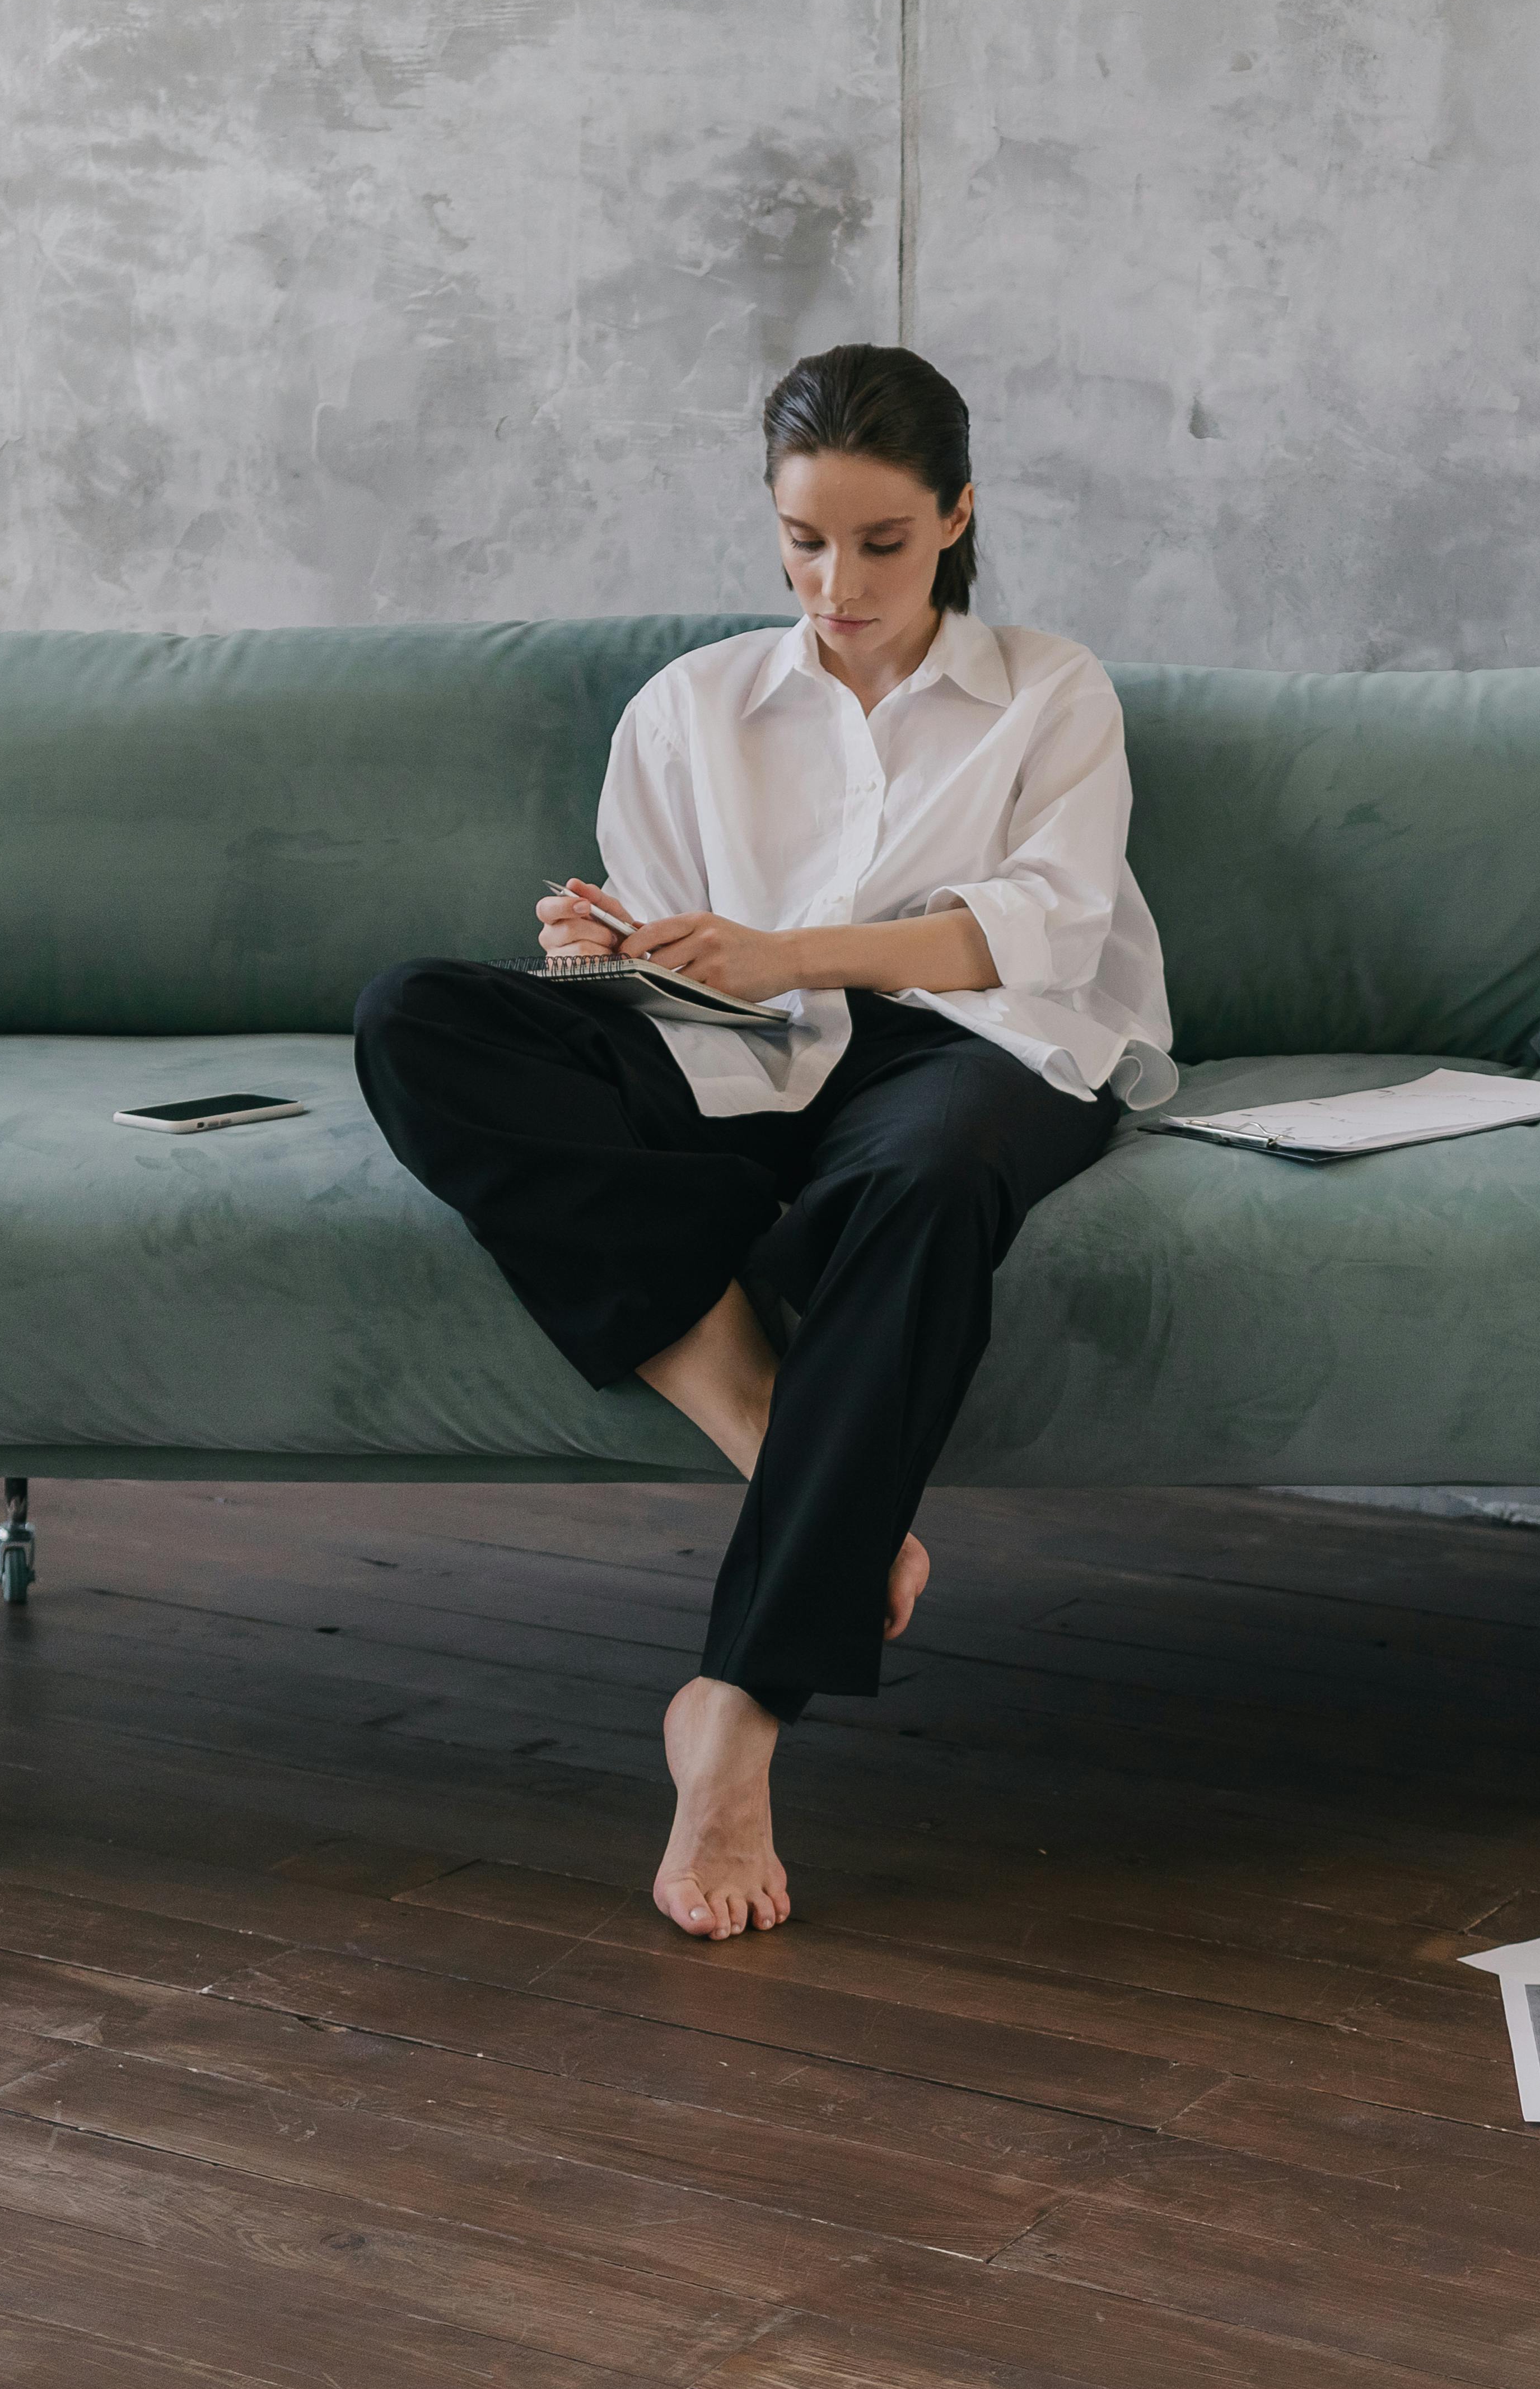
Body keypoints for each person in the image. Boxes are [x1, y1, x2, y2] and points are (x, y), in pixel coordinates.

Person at [351, 344, 1175, 1940]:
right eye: (805, 540)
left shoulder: (1052, 692)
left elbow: (1040, 935)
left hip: (978, 1047)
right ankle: (775, 1432)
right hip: (734, 1050)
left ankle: (736, 1710)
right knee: (417, 1019)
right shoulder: (693, 704)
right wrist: (611, 953)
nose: (836, 581)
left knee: (923, 1187)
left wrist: (790, 955)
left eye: (879, 543)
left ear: (956, 519)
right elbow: (680, 961)